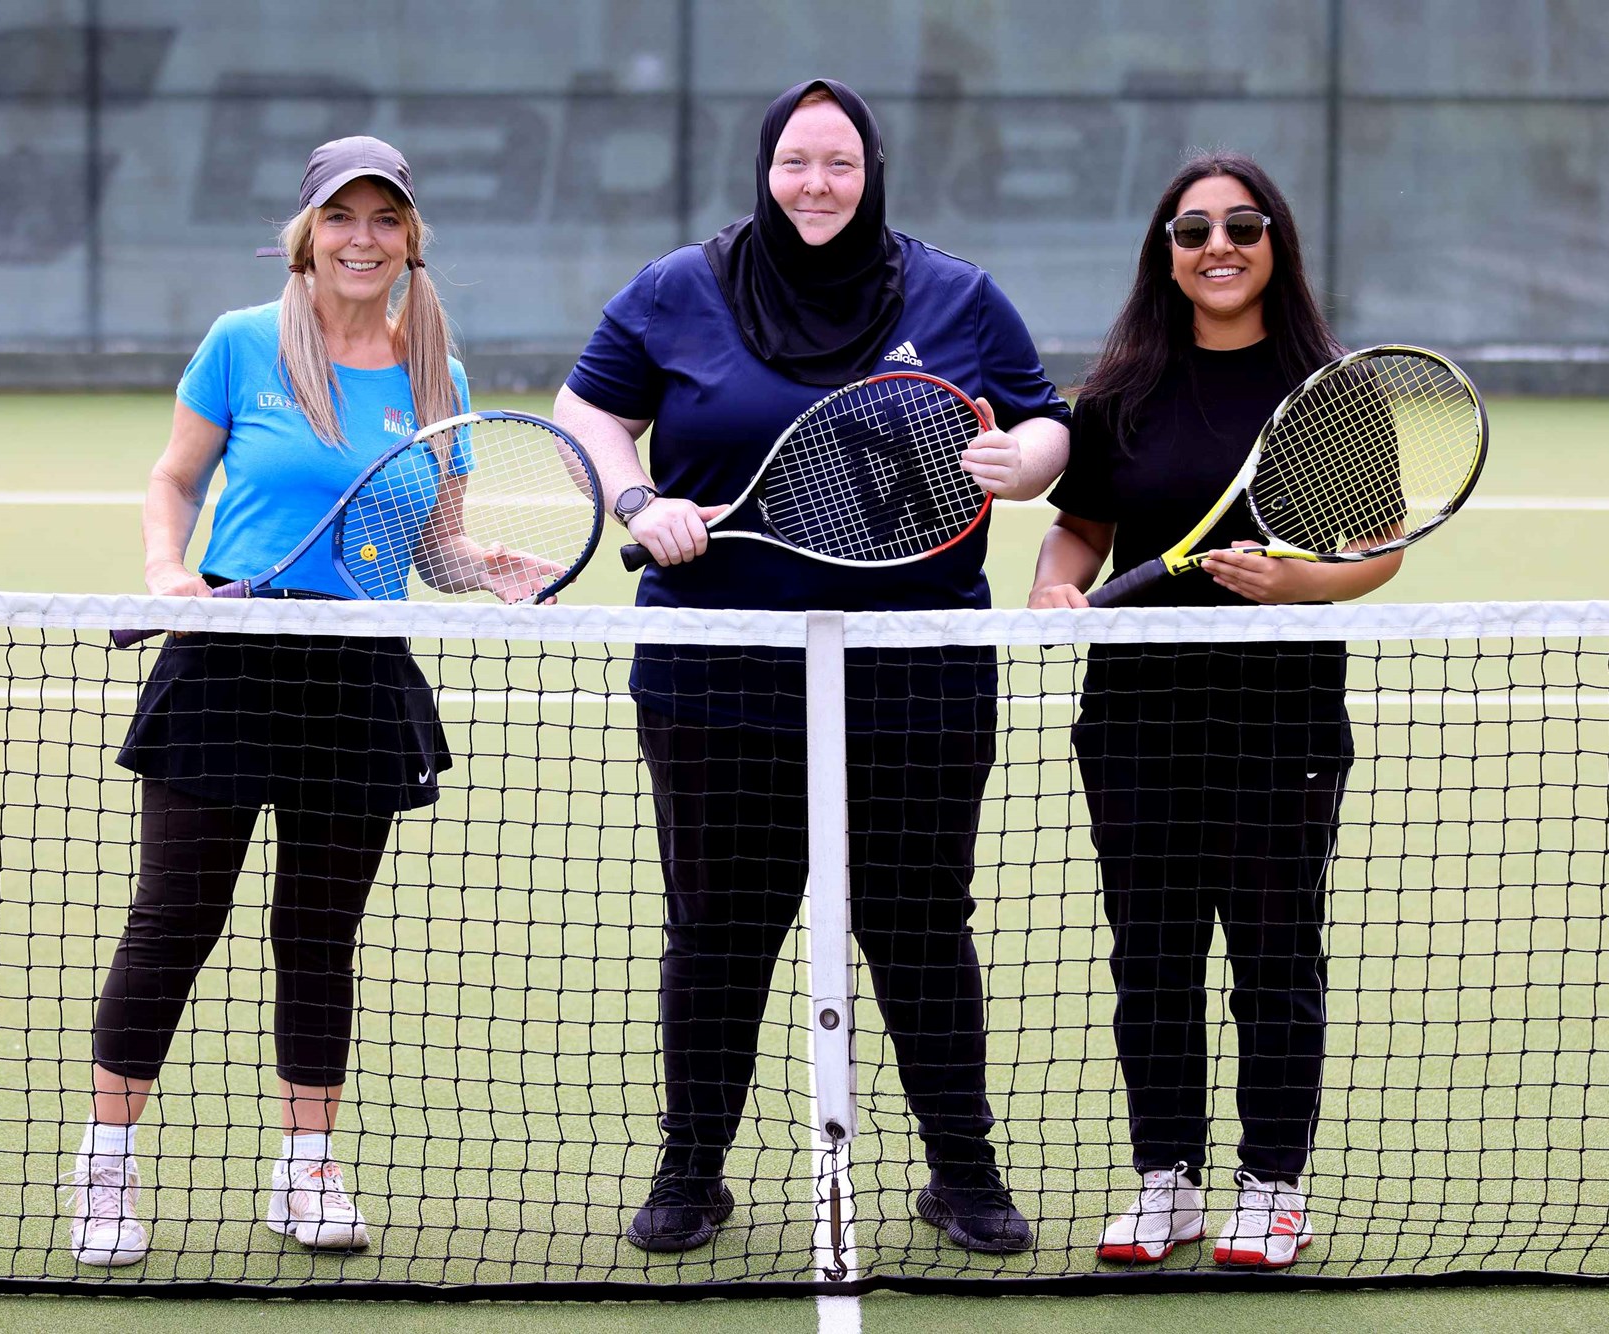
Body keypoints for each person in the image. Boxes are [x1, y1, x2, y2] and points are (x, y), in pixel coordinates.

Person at [554, 79, 1070, 1255]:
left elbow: (1045, 424)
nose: (816, 184)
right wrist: (638, 495)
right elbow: (587, 408)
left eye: (838, 162)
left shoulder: (955, 295)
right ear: (765, 167)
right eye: (795, 160)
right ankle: (690, 1173)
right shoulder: (677, 287)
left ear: (873, 168)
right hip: (715, 676)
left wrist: (1018, 457)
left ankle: (963, 1174)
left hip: (916, 672)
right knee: (719, 928)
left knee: (919, 924)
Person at [64, 135, 514, 1267]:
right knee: (173, 922)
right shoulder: (240, 343)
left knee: (319, 934)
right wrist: (171, 572)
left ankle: (307, 1170)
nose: (360, 238)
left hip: (359, 676)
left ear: (411, 237)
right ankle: (105, 1168)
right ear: (306, 234)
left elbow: (436, 546)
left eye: (383, 218)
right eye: (340, 218)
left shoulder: (437, 379)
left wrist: (483, 564)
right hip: (229, 661)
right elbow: (175, 478)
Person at [1029, 150, 1402, 1270]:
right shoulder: (1117, 392)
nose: (1218, 247)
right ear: (1165, 255)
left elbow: (1373, 551)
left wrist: (1300, 583)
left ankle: (1269, 1186)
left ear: (1273, 242)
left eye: (1241, 225)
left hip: (1279, 721)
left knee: (1274, 958)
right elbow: (1082, 529)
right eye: (1192, 232)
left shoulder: (1329, 390)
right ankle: (1164, 1181)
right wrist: (1054, 581)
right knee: (1150, 957)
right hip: (1136, 719)